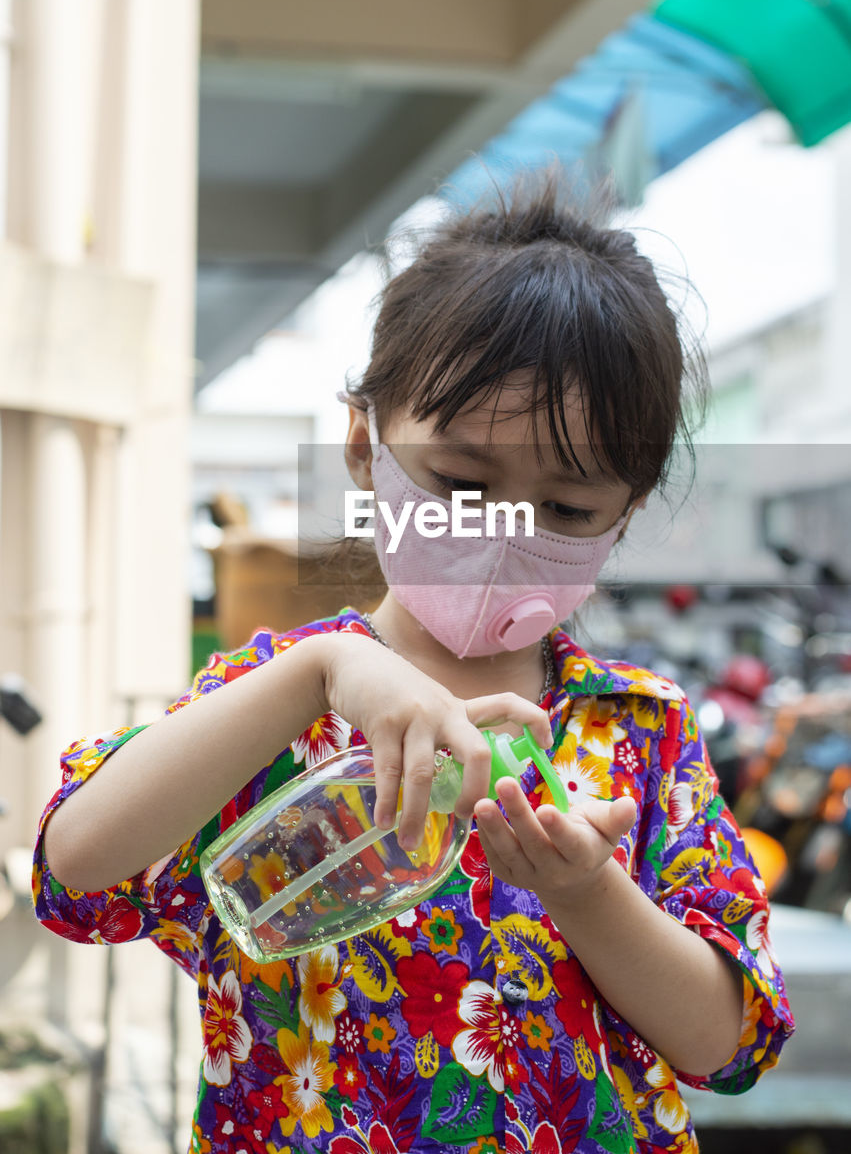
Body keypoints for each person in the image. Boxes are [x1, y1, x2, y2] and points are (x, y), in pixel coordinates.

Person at [33, 174, 794, 1154]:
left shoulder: (635, 729)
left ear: (624, 515)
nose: (501, 533)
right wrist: (319, 672)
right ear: (363, 445)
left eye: (565, 509)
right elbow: (77, 868)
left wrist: (583, 889)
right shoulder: (278, 705)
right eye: (460, 481)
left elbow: (724, 1040)